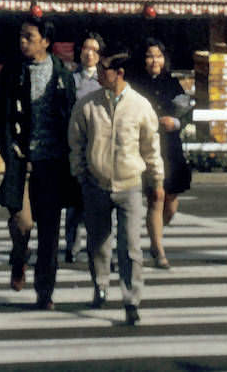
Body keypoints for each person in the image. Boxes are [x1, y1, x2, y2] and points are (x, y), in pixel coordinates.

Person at [0, 12, 77, 310]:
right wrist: (8, 144)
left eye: (30, 37)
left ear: (46, 42)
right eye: (22, 36)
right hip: (22, 161)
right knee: (23, 223)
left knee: (50, 231)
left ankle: (45, 292)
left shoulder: (62, 75)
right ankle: (19, 256)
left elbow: (72, 117)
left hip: (53, 163)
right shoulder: (13, 71)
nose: (23, 42)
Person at [68, 48, 163, 326]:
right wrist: (80, 173)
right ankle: (100, 285)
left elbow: (151, 146)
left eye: (104, 70)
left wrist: (156, 179)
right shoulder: (88, 105)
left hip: (130, 183)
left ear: (119, 73)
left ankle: (131, 299)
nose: (98, 74)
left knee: (131, 246)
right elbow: (76, 142)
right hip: (96, 183)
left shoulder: (140, 105)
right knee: (98, 242)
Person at [132, 38, 192, 269]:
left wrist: (176, 122)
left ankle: (155, 232)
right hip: (147, 146)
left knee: (171, 202)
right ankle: (159, 251)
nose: (154, 60)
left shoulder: (173, 84)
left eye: (158, 56)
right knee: (155, 196)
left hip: (171, 147)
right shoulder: (135, 84)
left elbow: (186, 114)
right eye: (149, 56)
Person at [64, 32, 103, 263]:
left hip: (99, 144)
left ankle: (97, 245)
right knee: (75, 200)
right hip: (77, 143)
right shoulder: (72, 79)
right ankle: (72, 244)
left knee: (98, 200)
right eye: (86, 49)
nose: (90, 54)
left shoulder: (103, 79)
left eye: (95, 50)